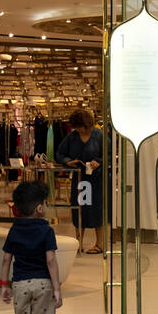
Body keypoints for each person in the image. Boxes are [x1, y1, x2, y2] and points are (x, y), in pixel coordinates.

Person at [0, 181, 63, 314]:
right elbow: (51, 260)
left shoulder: (14, 230)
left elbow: (6, 259)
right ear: (39, 208)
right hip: (42, 283)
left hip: (20, 283)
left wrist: (4, 284)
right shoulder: (46, 231)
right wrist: (57, 288)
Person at [55, 109, 105, 254]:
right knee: (79, 209)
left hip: (96, 179)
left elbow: (108, 153)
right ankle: (78, 242)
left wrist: (99, 161)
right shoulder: (72, 137)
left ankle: (100, 244)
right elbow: (60, 154)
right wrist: (68, 161)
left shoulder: (99, 135)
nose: (80, 131)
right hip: (79, 178)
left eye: (82, 128)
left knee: (97, 209)